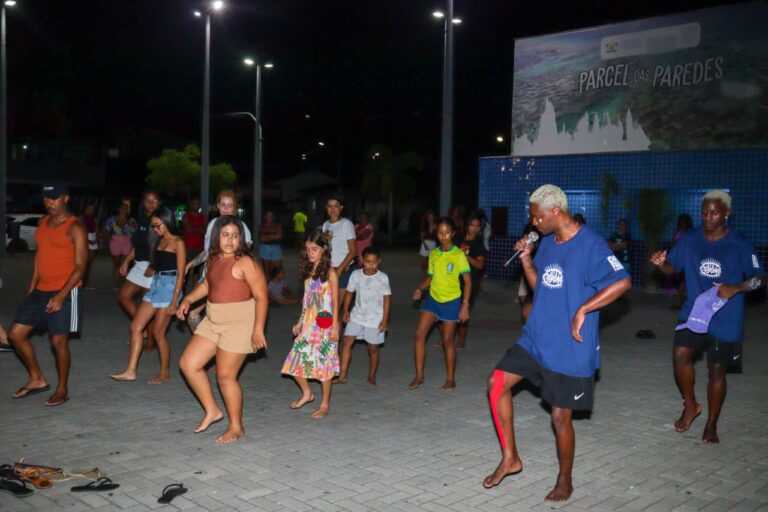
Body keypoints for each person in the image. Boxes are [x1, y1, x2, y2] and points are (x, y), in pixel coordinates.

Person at [483, 184, 631, 502]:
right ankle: (511, 458)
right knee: (496, 383)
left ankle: (565, 479)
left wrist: (584, 308)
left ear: (555, 212)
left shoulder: (591, 244)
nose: (532, 223)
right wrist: (526, 261)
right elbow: (544, 287)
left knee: (560, 418)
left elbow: (623, 281)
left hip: (571, 347)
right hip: (537, 337)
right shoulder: (548, 243)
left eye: (536, 217)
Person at [650, 190, 764, 444]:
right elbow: (672, 267)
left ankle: (711, 425)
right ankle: (690, 404)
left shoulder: (740, 243)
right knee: (680, 354)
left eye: (714, 212)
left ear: (727, 214)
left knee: (716, 371)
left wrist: (737, 287)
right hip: (695, 310)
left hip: (726, 315)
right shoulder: (690, 239)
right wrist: (661, 263)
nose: (708, 217)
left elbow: (761, 278)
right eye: (704, 212)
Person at [177, 216, 268, 444]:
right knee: (188, 364)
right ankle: (212, 410)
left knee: (225, 376)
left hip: (239, 321)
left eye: (235, 236)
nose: (230, 240)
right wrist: (188, 298)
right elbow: (208, 284)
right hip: (213, 318)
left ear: (242, 239)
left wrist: (258, 330)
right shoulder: (214, 258)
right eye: (226, 235)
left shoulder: (246, 262)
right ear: (217, 236)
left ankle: (236, 427)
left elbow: (261, 297)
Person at [8, 183, 88, 406]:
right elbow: (39, 256)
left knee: (58, 341)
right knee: (15, 334)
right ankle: (37, 379)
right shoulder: (42, 223)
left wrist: (61, 295)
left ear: (66, 198)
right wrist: (32, 284)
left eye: (54, 198)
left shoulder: (76, 227)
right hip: (41, 290)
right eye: (46, 198)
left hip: (67, 291)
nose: (49, 202)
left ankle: (62, 388)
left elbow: (81, 266)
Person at [110, 207, 185, 384]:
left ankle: (165, 373)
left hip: (170, 287)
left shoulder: (178, 242)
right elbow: (155, 261)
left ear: (167, 222)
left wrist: (175, 301)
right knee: (136, 326)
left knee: (159, 333)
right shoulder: (158, 241)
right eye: (153, 226)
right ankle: (130, 371)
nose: (155, 229)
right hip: (156, 284)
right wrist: (150, 267)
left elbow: (181, 273)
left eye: (158, 225)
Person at [281, 228, 340, 419]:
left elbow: (336, 302)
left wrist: (335, 326)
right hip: (308, 322)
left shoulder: (331, 272)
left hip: (325, 323)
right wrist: (299, 321)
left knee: (324, 364)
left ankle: (324, 405)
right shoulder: (308, 270)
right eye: (308, 249)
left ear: (324, 249)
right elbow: (306, 300)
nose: (311, 253)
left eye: (314, 249)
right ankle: (307, 393)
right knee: (295, 358)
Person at [410, 217, 471, 391]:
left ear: (452, 233)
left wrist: (465, 304)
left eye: (446, 233)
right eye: (440, 232)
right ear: (436, 234)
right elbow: (430, 277)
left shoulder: (458, 255)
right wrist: (420, 289)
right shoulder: (434, 254)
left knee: (447, 341)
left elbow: (467, 281)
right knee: (419, 334)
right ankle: (419, 376)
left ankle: (451, 378)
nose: (443, 236)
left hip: (451, 302)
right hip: (433, 300)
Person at [184, 190, 253, 331]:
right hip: (209, 275)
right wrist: (190, 264)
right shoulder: (213, 224)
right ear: (217, 206)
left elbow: (247, 256)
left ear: (235, 207)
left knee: (223, 315)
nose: (226, 209)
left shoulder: (242, 227)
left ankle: (222, 344)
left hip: (229, 278)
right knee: (193, 315)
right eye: (223, 205)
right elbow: (208, 251)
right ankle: (209, 342)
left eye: (230, 205)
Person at [336, 246, 391, 386]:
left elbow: (387, 299)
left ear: (379, 261)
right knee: (347, 342)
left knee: (372, 348)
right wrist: (346, 310)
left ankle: (372, 376)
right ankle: (342, 375)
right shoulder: (355, 275)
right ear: (361, 260)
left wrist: (384, 320)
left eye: (374, 262)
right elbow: (349, 292)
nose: (370, 265)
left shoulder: (383, 278)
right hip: (357, 316)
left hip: (374, 319)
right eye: (367, 261)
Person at [118, 191, 161, 351]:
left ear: (159, 203)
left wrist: (154, 265)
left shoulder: (159, 221)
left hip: (152, 266)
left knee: (146, 305)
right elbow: (137, 245)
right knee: (123, 297)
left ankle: (150, 342)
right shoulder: (143, 220)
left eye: (155, 200)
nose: (151, 203)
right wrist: (127, 261)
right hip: (138, 265)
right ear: (143, 202)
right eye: (148, 200)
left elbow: (164, 246)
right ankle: (141, 327)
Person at [455, 214, 487, 349]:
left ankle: (462, 338)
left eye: (477, 226)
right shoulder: (458, 238)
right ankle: (447, 337)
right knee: (449, 309)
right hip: (454, 279)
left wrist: (466, 256)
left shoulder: (479, 243)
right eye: (472, 225)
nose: (474, 229)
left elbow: (480, 265)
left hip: (470, 281)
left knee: (463, 309)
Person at [321, 197, 357, 309]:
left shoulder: (346, 224)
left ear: (341, 208)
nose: (332, 209)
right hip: (329, 269)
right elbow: (325, 247)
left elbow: (353, 251)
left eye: (336, 206)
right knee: (328, 308)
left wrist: (340, 269)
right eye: (330, 206)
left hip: (344, 270)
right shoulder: (325, 225)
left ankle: (338, 326)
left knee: (336, 308)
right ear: (326, 208)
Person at [105, 204, 138, 288]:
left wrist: (133, 238)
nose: (124, 210)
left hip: (127, 241)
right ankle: (117, 283)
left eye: (126, 208)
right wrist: (108, 239)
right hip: (115, 241)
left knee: (126, 262)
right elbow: (105, 229)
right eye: (122, 208)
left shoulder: (131, 220)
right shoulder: (112, 219)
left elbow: (137, 232)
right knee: (116, 264)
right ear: (119, 209)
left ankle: (125, 283)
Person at [670, 213, 694, 310]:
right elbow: (673, 244)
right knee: (680, 282)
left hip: (688, 261)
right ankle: (682, 302)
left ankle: (688, 303)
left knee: (688, 283)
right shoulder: (678, 232)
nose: (682, 223)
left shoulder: (691, 233)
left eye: (684, 222)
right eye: (681, 222)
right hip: (679, 259)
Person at [517, 224, 540, 324]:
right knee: (525, 305)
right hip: (527, 273)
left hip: (539, 273)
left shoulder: (547, 238)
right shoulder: (529, 230)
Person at [181, 197, 206, 276]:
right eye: (194, 204)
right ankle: (182, 288)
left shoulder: (203, 217)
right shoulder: (185, 216)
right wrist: (200, 229)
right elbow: (188, 229)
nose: (196, 206)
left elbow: (205, 230)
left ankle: (195, 287)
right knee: (185, 271)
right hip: (188, 247)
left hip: (200, 247)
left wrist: (193, 229)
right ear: (191, 205)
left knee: (197, 272)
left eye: (198, 204)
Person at [258, 210, 283, 279]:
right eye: (268, 215)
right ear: (265, 217)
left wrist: (268, 236)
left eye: (271, 216)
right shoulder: (262, 226)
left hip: (276, 248)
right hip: (265, 247)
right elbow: (262, 238)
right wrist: (274, 236)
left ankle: (277, 287)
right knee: (267, 271)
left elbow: (279, 236)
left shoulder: (277, 225)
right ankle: (268, 287)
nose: (270, 217)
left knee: (278, 270)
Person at [80, 204, 99, 289]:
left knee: (89, 263)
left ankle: (86, 282)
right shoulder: (81, 218)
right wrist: (87, 240)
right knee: (83, 263)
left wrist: (96, 238)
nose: (91, 210)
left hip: (92, 237)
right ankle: (81, 282)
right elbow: (79, 231)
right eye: (89, 208)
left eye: (92, 209)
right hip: (84, 237)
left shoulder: (94, 219)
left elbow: (96, 229)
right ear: (85, 209)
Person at [418, 210, 437, 281]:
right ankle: (423, 281)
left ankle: (428, 282)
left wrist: (436, 228)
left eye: (432, 217)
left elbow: (438, 237)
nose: (430, 218)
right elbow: (421, 237)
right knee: (423, 265)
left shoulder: (436, 225)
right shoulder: (425, 226)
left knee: (430, 265)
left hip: (433, 244)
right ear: (427, 218)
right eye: (429, 217)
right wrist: (425, 245)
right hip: (425, 244)